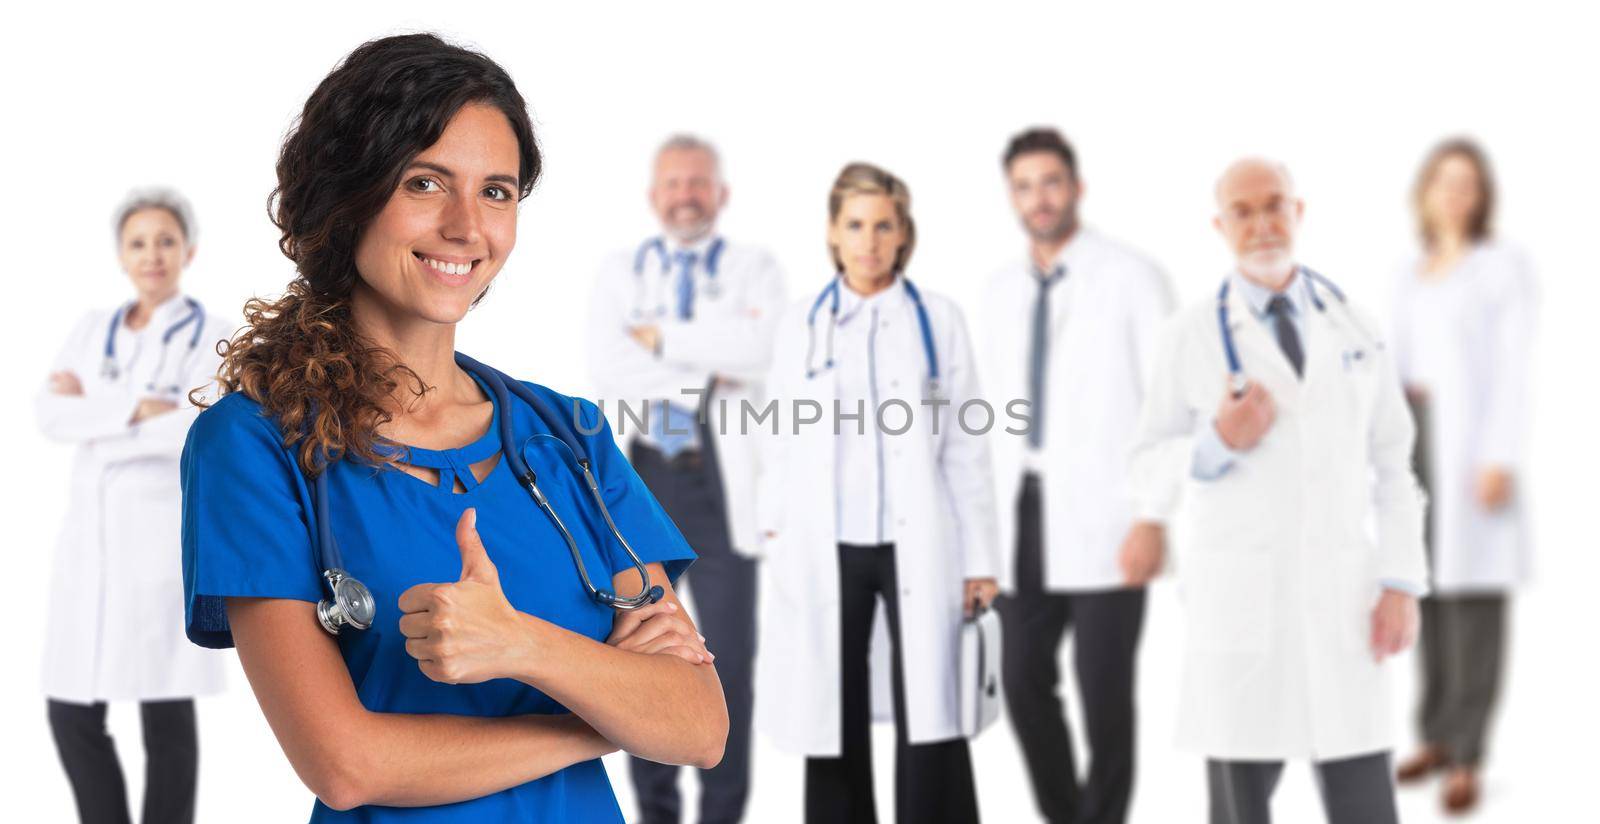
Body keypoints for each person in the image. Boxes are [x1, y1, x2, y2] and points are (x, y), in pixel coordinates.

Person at [179, 34, 727, 823]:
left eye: (497, 192)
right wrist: (602, 719)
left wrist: (521, 645)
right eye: (426, 182)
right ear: (347, 197)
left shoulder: (565, 436)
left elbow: (698, 724)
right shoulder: (256, 445)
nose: (468, 226)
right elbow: (345, 765)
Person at [1127, 158, 1427, 824]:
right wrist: (1217, 444)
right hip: (1242, 609)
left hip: (1345, 603)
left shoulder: (1354, 325)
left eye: (1275, 205)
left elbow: (1395, 463)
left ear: (1299, 211)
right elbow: (1146, 463)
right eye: (1243, 210)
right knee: (1240, 809)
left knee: (1366, 807)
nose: (1262, 223)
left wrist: (1402, 582)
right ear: (1219, 225)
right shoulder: (1190, 334)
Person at [755, 162, 999, 824]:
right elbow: (775, 434)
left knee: (933, 705)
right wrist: (773, 534)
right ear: (833, 233)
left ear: (903, 233)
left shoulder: (938, 321)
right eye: (855, 225)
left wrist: (980, 560)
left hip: (920, 537)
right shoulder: (800, 323)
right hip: (825, 542)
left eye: (883, 225)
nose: (869, 240)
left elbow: (965, 446)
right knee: (833, 706)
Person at [587, 134, 785, 824]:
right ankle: (658, 815)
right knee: (646, 652)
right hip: (651, 476)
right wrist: (707, 366)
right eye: (674, 184)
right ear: (654, 196)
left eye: (698, 183)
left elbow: (761, 349)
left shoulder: (757, 269)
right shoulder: (621, 271)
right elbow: (610, 366)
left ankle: (724, 817)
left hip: (726, 485)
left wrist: (662, 339)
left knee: (726, 657)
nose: (686, 196)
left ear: (721, 193)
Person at [980, 127, 1173, 824]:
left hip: (1109, 516)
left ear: (1077, 188)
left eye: (1051, 182)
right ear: (1012, 196)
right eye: (1025, 186)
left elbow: (1170, 403)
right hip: (1020, 513)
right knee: (1025, 681)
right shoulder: (1000, 290)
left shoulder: (1131, 276)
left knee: (1105, 694)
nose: (1040, 198)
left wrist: (1154, 516)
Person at [38, 187, 229, 824]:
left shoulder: (215, 336)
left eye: (166, 241)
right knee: (69, 709)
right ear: (122, 255)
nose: (153, 255)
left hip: (155, 551)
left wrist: (97, 415)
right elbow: (48, 414)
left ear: (188, 251)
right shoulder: (94, 329)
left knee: (165, 711)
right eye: (139, 243)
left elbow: (196, 429)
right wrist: (136, 409)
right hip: (87, 549)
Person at [1390, 138, 1535, 814]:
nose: (1454, 194)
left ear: (1482, 198)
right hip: (1418, 440)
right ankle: (1437, 735)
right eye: (1444, 182)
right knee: (1427, 596)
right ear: (1425, 191)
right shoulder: (1415, 269)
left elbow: (1512, 368)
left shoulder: (1499, 267)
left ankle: (1468, 753)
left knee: (1473, 605)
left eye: (1468, 185)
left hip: (1471, 446)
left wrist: (1498, 455)